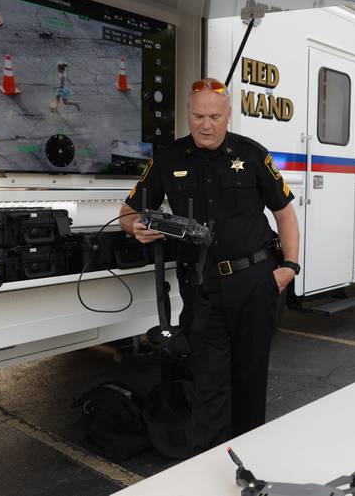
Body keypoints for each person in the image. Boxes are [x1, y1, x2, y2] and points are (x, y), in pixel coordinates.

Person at [119, 78, 300, 449]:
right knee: (208, 380)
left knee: (250, 379)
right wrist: (135, 227)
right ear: (188, 114)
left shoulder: (251, 154)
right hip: (202, 288)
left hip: (255, 281)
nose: (206, 124)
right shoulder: (168, 159)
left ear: (228, 115)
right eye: (199, 115)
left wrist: (290, 269)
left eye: (215, 116)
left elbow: (284, 213)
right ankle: (211, 464)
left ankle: (249, 458)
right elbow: (128, 212)